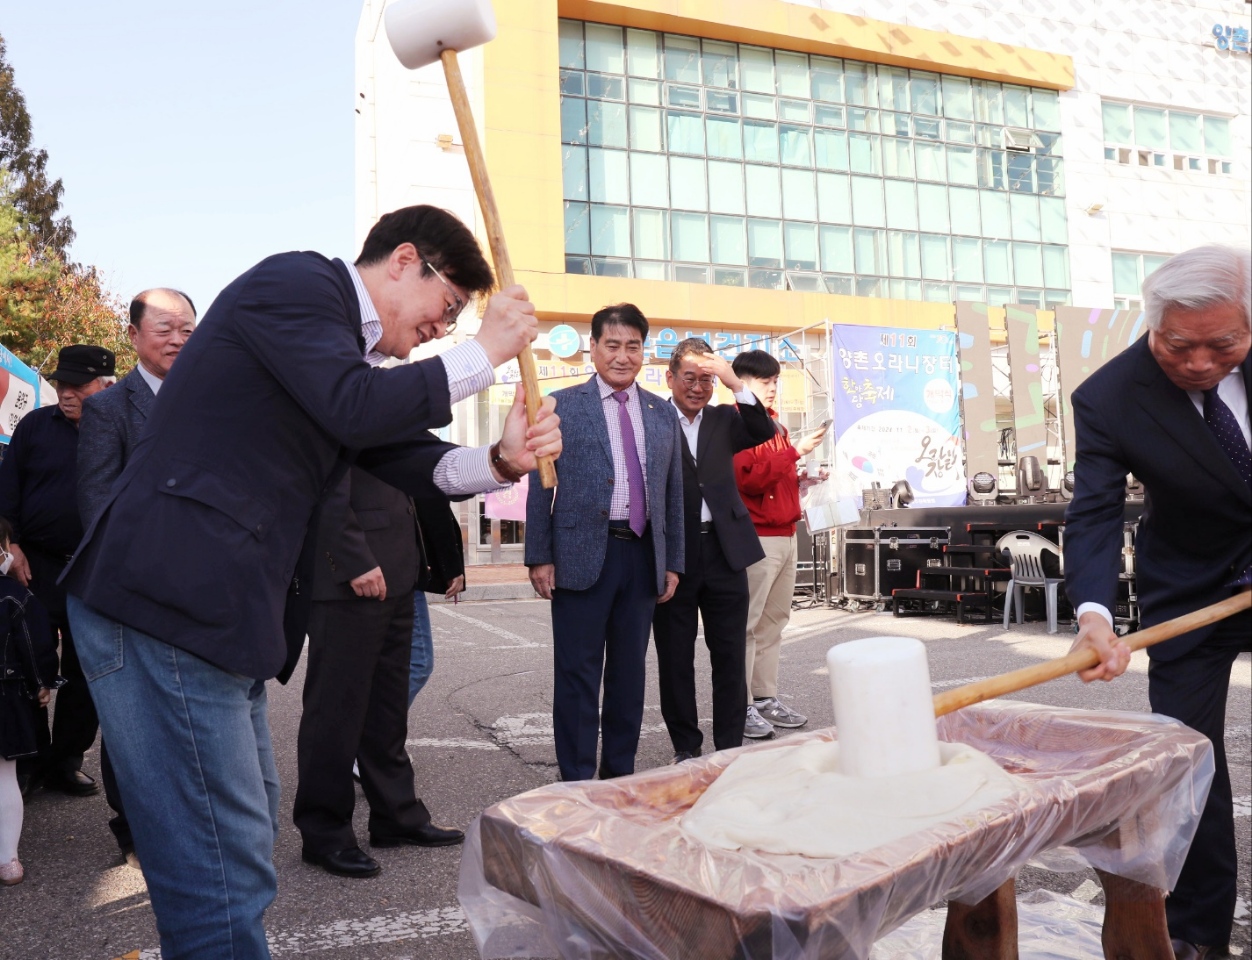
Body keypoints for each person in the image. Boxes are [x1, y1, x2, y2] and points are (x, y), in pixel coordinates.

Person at [61, 205, 562, 959]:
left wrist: (498, 462)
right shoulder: (297, 285)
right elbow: (356, 410)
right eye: (448, 308)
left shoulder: (340, 360)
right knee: (219, 867)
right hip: (166, 603)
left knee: (240, 838)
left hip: (215, 621)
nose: (444, 328)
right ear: (403, 261)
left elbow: (395, 448)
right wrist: (488, 352)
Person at [1064, 244, 1250, 960]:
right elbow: (1094, 514)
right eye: (1181, 346)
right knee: (1187, 758)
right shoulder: (1110, 397)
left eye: (1223, 345)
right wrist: (1092, 616)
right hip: (1189, 585)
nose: (1201, 362)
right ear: (1154, 326)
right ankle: (1199, 933)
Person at [526, 303, 684, 781]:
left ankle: (619, 776)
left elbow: (672, 493)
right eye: (611, 345)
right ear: (592, 348)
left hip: (641, 555)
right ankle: (575, 781)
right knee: (577, 674)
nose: (622, 356)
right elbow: (541, 484)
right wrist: (539, 555)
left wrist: (671, 561)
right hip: (579, 555)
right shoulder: (561, 406)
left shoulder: (662, 413)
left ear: (644, 352)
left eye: (632, 346)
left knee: (629, 676)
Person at [294, 468, 466, 879]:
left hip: (399, 569)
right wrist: (352, 559)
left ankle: (396, 816)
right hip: (348, 574)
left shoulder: (391, 409)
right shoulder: (338, 404)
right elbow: (320, 482)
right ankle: (324, 834)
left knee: (386, 710)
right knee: (333, 711)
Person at [77, 287, 196, 867]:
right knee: (133, 719)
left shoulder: (211, 399)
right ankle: (134, 831)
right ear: (133, 336)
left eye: (187, 330)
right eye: (165, 328)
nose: (177, 339)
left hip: (202, 589)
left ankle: (187, 824)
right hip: (135, 587)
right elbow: (98, 505)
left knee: (189, 714)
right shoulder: (109, 409)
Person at [651, 338, 774, 762]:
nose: (698, 387)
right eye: (690, 378)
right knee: (675, 658)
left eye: (706, 379)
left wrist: (732, 381)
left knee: (729, 654)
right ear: (670, 378)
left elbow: (765, 429)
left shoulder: (726, 418)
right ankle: (686, 747)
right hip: (674, 556)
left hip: (725, 551)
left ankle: (729, 749)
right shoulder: (653, 417)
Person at [0, 344, 115, 797]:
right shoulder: (34, 426)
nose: (66, 393)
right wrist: (13, 548)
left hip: (95, 570)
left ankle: (65, 759)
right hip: (37, 567)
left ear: (106, 384)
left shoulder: (120, 427)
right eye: (62, 384)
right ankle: (27, 759)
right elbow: (6, 493)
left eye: (77, 385)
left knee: (87, 673)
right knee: (28, 663)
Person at [731, 350, 828, 739]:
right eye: (763, 382)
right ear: (740, 383)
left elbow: (771, 479)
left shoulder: (776, 426)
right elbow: (746, 481)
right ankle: (738, 706)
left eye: (774, 382)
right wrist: (795, 453)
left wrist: (802, 479)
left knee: (773, 624)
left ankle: (763, 698)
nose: (771, 389)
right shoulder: (735, 423)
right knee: (748, 625)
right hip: (757, 537)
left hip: (786, 533)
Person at [0, 517, 58, 886]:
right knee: (5, 777)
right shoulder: (14, 595)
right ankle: (8, 860)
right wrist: (43, 683)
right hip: (4, 697)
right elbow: (37, 646)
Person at [408, 496, 466, 710]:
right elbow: (435, 510)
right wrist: (451, 568)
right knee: (419, 663)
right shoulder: (416, 465)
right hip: (403, 571)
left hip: (389, 566)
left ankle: (375, 734)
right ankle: (376, 733)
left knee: (386, 664)